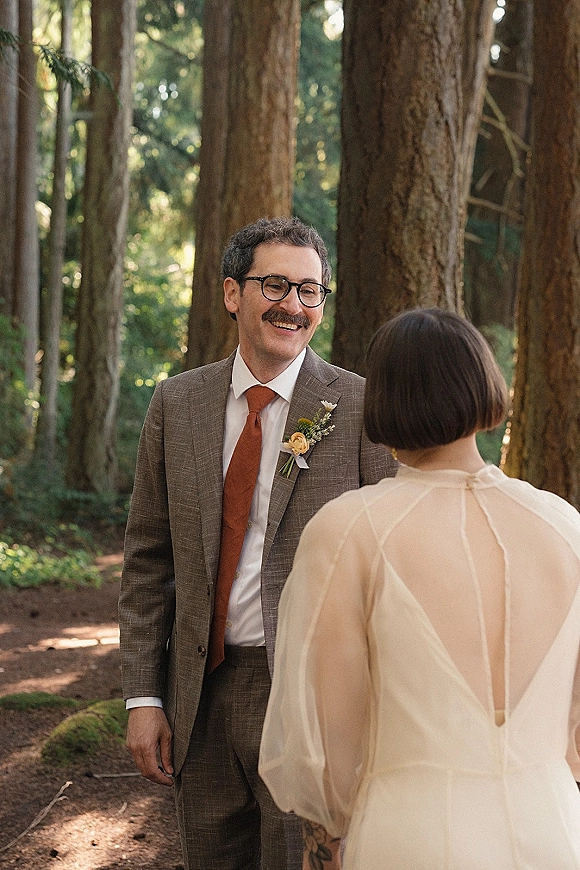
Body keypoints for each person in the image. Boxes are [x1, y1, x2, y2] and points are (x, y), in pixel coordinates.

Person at [118, 216, 395, 870]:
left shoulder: (359, 407)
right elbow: (148, 560)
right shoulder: (176, 404)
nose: (293, 306)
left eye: (310, 291)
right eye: (275, 285)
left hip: (313, 699)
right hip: (201, 694)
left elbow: (391, 557)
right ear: (232, 293)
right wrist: (143, 697)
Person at [259, 306, 580, 869]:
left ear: (384, 400)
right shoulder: (564, 526)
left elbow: (328, 741)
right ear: (485, 384)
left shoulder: (350, 530)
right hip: (554, 826)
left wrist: (325, 843)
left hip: (412, 835)